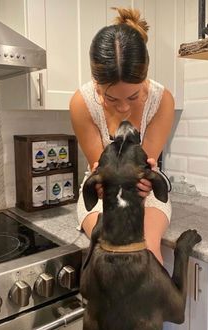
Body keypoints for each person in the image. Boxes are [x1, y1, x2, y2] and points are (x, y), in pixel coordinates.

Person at [69, 7, 174, 265]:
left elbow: (143, 166)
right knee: (108, 251)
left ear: (144, 78)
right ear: (96, 84)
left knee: (147, 252)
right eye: (111, 98)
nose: (124, 108)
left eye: (134, 97)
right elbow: (104, 171)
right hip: (104, 193)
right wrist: (101, 180)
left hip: (145, 194)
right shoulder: (82, 103)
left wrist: (148, 178)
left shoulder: (163, 101)